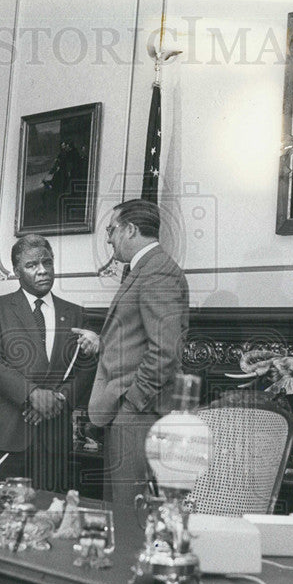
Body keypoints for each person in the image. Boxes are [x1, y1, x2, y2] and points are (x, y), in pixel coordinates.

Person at [78, 199, 190, 507]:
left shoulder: (157, 272)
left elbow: (165, 351)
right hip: (128, 411)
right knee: (119, 507)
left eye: (112, 230)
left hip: (139, 413)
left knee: (129, 510)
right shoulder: (145, 269)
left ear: (130, 230)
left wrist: (131, 404)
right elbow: (140, 338)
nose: (109, 238)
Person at [0, 235, 95, 492]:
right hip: (7, 436)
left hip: (53, 441)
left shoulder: (75, 313)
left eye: (47, 262)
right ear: (17, 270)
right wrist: (32, 395)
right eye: (32, 265)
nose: (42, 270)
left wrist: (58, 399)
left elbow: (86, 368)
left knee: (45, 516)